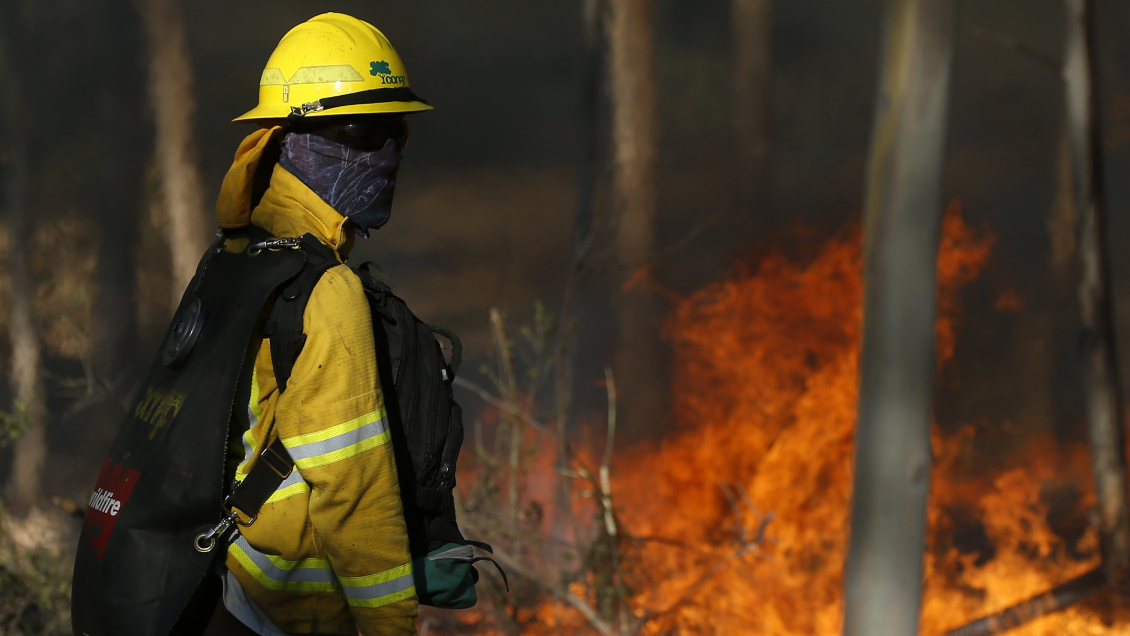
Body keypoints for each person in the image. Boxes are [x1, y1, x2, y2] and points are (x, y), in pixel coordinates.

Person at [201, 12, 432, 636]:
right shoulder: (327, 290)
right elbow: (355, 495)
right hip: (295, 610)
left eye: (398, 130)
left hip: (235, 581)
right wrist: (390, 627)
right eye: (366, 130)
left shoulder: (238, 253)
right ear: (295, 140)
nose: (389, 151)